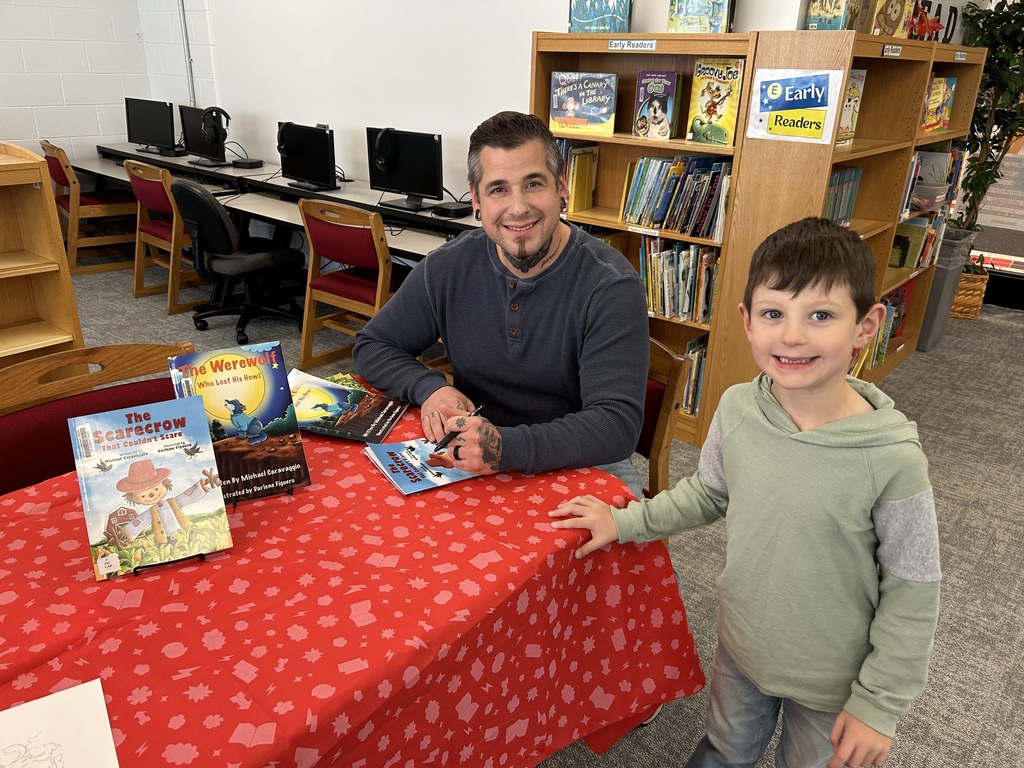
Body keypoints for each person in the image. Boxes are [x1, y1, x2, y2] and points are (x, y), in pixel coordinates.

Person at [550, 217, 940, 768]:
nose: (792, 336)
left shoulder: (894, 459)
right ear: (747, 321)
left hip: (833, 679)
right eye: (774, 313)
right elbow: (708, 493)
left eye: (821, 315)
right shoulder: (737, 408)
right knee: (725, 752)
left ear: (866, 325)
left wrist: (880, 704)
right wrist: (626, 522)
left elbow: (914, 589)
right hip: (743, 643)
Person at [353, 110, 649, 498]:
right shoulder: (447, 267)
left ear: (561, 187)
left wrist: (503, 447)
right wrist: (428, 387)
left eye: (533, 184)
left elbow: (615, 427)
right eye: (498, 189)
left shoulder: (611, 284)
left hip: (582, 460)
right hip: (474, 450)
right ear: (475, 199)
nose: (518, 207)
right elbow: (372, 346)